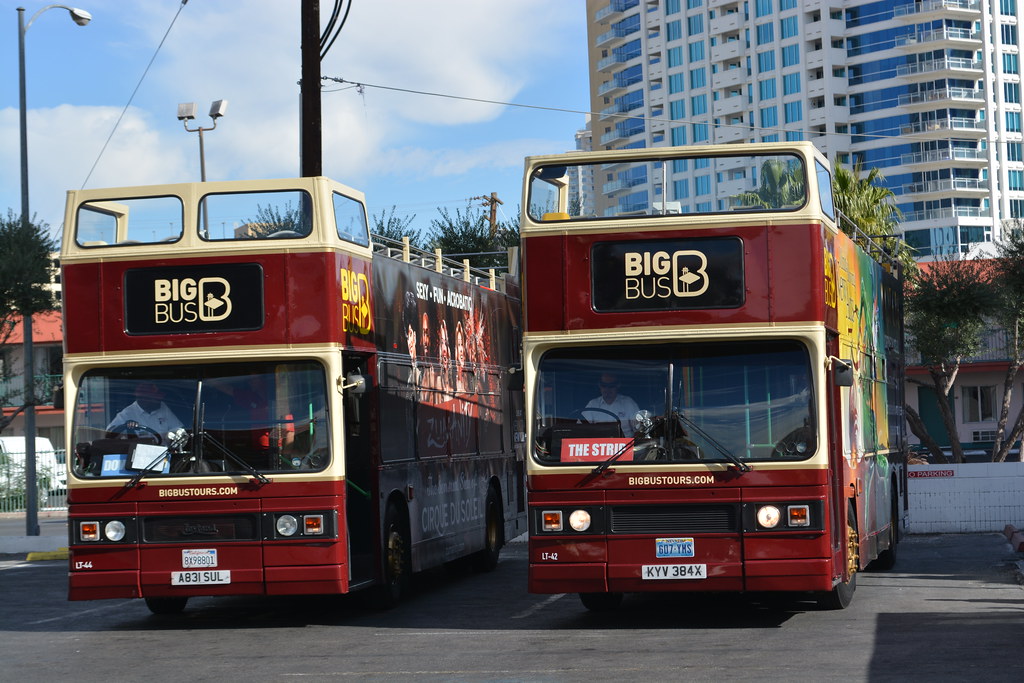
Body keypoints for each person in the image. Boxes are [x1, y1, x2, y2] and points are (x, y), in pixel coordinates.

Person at [106, 382, 184, 441]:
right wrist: (125, 426)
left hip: (165, 454)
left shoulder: (163, 407)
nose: (159, 401)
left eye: (159, 398)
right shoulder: (127, 413)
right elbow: (109, 434)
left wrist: (173, 435)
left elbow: (178, 429)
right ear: (143, 399)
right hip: (140, 455)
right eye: (155, 399)